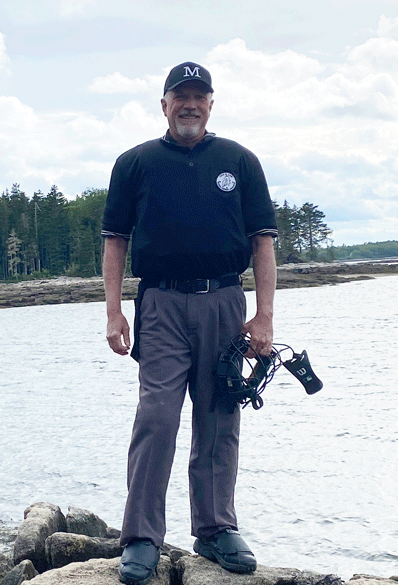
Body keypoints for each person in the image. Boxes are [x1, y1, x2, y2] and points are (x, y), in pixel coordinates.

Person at [102, 61, 278, 584]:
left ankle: (216, 529)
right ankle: (140, 538)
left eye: (199, 96)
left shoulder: (239, 161)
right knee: (157, 417)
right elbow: (115, 240)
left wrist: (264, 315)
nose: (190, 104)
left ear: (210, 104)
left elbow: (263, 243)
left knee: (220, 416)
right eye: (180, 96)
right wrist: (113, 311)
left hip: (224, 300)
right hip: (159, 306)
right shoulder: (134, 164)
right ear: (163, 104)